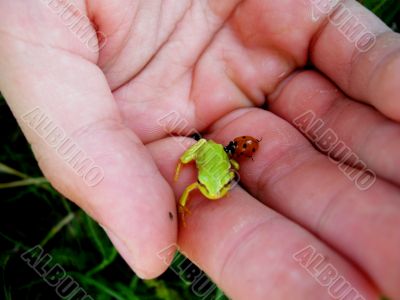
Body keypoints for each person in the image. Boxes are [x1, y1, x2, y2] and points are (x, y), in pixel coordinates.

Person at [0, 1, 399, 299]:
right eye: (218, 187)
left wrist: (219, 170)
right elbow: (193, 188)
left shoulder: (220, 175)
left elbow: (217, 172)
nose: (219, 192)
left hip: (214, 154)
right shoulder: (201, 187)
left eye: (224, 185)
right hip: (204, 153)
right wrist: (185, 179)